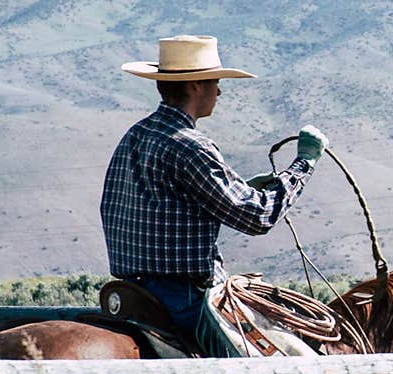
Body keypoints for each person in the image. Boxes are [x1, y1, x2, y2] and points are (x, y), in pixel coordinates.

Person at [100, 34, 328, 348]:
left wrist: (244, 189)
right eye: (215, 81)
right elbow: (257, 217)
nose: (219, 90)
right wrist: (303, 164)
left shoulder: (136, 135)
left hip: (132, 292)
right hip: (185, 298)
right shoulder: (191, 146)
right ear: (195, 85)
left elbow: (164, 202)